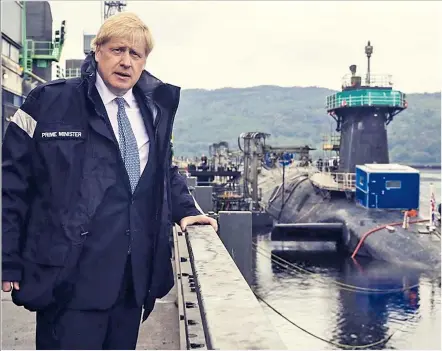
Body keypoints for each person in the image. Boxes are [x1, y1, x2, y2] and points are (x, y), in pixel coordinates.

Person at [2, 12, 217, 350]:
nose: (126, 62)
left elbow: (162, 169)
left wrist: (186, 209)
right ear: (97, 50)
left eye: (136, 54)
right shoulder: (49, 102)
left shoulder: (154, 109)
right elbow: (11, 183)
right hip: (70, 280)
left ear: (145, 61)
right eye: (118, 50)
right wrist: (7, 258)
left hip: (132, 281)